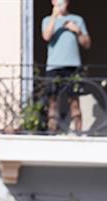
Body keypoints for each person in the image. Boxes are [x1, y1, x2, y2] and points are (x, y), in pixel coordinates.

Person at [41, 0, 91, 133]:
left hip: (72, 66)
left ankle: (79, 133)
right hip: (53, 66)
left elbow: (87, 44)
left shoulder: (77, 20)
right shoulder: (47, 20)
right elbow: (46, 36)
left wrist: (78, 31)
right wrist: (54, 17)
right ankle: (52, 132)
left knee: (74, 101)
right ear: (53, 2)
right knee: (53, 101)